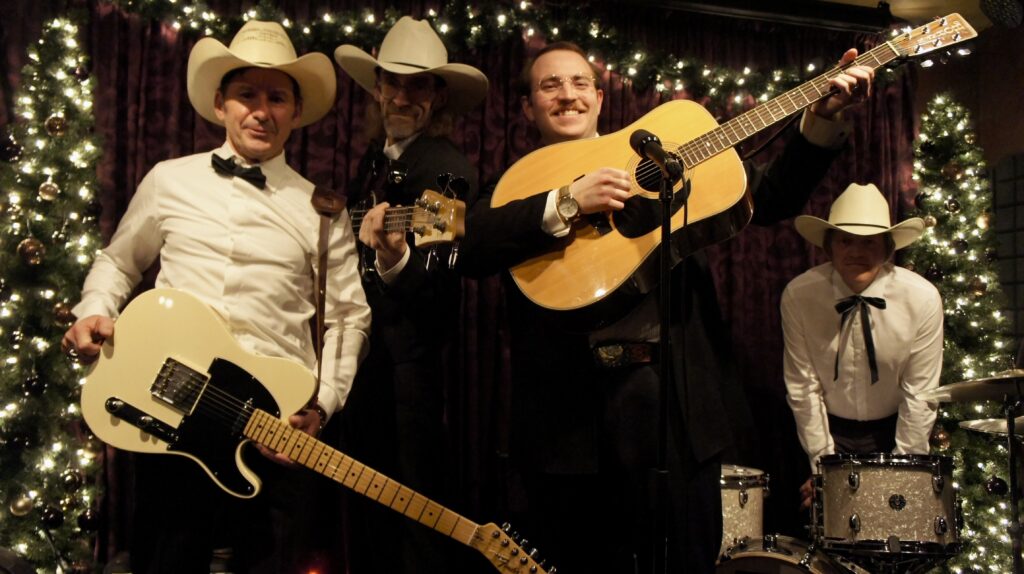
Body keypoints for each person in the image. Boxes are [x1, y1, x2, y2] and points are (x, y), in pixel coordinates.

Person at [456, 41, 874, 572]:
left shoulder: (659, 158)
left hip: (672, 403)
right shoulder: (514, 185)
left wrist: (820, 121)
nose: (568, 95)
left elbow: (770, 198)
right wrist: (566, 202)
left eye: (580, 83)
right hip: (568, 419)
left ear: (600, 97)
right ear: (526, 107)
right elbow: (469, 247)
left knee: (686, 559)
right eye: (550, 85)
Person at [60, 20, 370, 573]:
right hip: (169, 406)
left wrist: (321, 403)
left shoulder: (323, 210)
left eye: (277, 97)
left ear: (296, 113)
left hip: (275, 422)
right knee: (166, 557)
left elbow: (348, 319)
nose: (261, 110)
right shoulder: (168, 179)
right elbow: (118, 261)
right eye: (247, 94)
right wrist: (95, 310)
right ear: (220, 103)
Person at [331, 16, 486, 574]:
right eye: (391, 82)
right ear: (375, 86)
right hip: (369, 362)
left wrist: (396, 256)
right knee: (371, 503)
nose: (400, 95)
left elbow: (442, 262)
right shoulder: (379, 159)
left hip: (409, 370)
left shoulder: (446, 171)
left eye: (416, 85)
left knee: (411, 506)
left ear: (437, 95)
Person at [783, 182, 941, 510]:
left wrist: (902, 471)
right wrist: (823, 466)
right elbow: (802, 387)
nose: (857, 252)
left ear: (886, 249)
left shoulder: (922, 298)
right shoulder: (799, 296)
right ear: (829, 247)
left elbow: (920, 394)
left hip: (895, 429)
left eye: (869, 242)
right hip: (825, 430)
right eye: (846, 241)